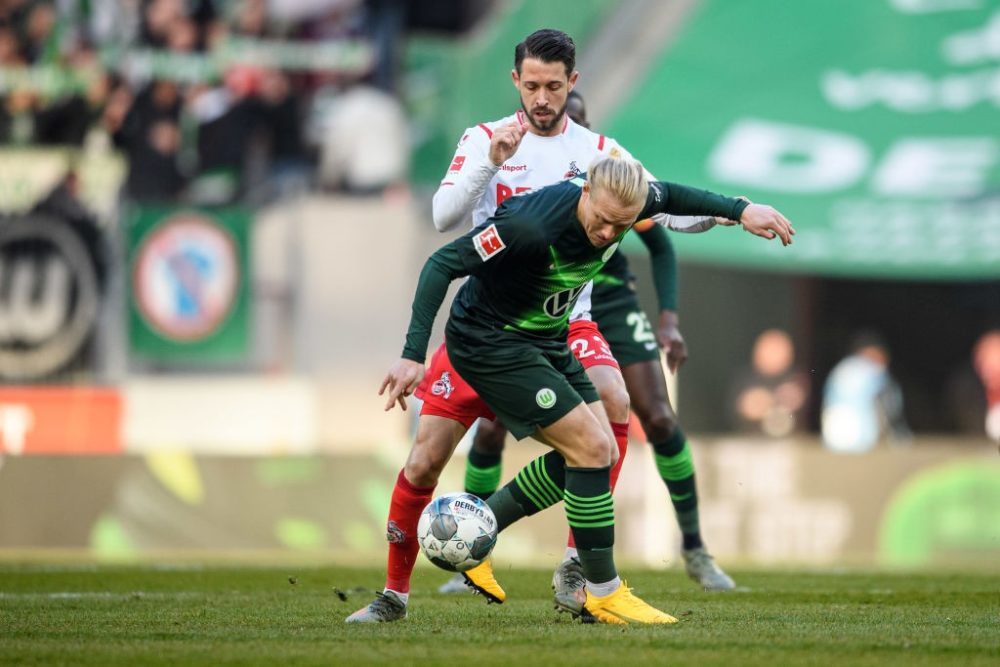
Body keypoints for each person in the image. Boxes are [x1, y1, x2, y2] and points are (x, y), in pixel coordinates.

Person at [347, 155, 793, 626]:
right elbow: (441, 264)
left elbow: (677, 195)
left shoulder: (631, 198)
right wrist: (413, 354)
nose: (606, 234)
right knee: (440, 462)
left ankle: (485, 529)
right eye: (600, 221)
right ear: (584, 193)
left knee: (600, 450)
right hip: (489, 342)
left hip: (544, 337)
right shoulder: (528, 226)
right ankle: (404, 596)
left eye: (618, 228)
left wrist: (742, 210)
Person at [447, 87, 737, 595]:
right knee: (497, 430)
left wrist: (669, 317)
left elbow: (661, 232)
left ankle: (681, 549)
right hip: (538, 309)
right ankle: (474, 549)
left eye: (573, 119)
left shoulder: (609, 171)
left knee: (650, 413)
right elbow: (456, 244)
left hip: (607, 302)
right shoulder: (526, 180)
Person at [821, 332, 910, 453]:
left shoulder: (840, 369)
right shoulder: (872, 370)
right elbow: (890, 405)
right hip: (861, 438)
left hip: (833, 438)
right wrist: (899, 435)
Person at [728, 328, 809, 437]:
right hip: (752, 444)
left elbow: (798, 401)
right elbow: (742, 408)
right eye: (770, 349)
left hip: (789, 444)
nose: (775, 354)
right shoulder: (745, 379)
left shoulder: (797, 378)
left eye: (779, 349)